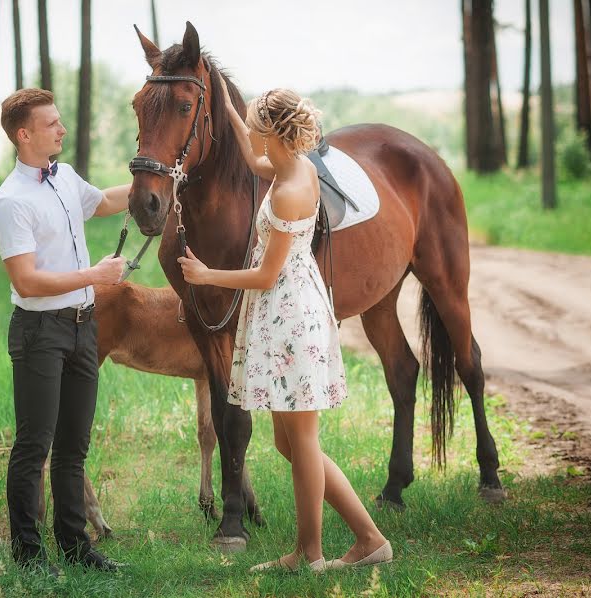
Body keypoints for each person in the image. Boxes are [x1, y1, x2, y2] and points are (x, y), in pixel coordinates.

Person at [178, 86, 392, 573]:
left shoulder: (294, 188)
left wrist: (207, 275)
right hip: (282, 312)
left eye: (254, 119)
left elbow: (266, 275)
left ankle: (311, 553)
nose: (250, 126)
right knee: (288, 442)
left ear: (271, 131)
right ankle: (367, 538)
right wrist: (230, 113)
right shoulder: (293, 166)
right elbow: (255, 163)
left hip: (290, 315)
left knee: (303, 441)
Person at [0, 88, 130, 578]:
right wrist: (95, 276)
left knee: (74, 446)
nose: (62, 130)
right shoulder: (10, 202)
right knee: (35, 446)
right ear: (24, 134)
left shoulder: (64, 177)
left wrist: (155, 178)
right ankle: (27, 556)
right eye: (52, 124)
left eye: (60, 121)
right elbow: (25, 280)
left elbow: (105, 201)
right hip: (39, 333)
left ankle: (75, 546)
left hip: (80, 328)